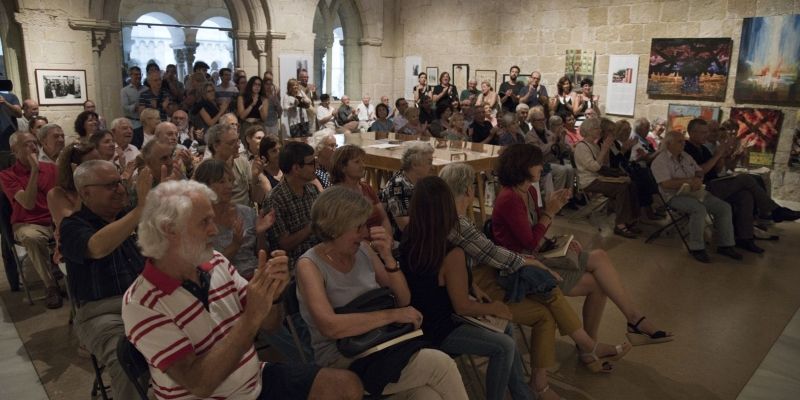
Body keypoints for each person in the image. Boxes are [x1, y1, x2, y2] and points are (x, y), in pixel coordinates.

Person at [123, 180, 363, 400]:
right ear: (169, 229)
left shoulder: (215, 262)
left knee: (345, 386)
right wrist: (250, 317)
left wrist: (274, 295)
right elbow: (201, 384)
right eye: (204, 222)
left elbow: (270, 324)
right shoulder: (141, 303)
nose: (214, 230)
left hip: (253, 382)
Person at [296, 186, 469, 399]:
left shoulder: (363, 250)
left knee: (427, 396)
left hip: (382, 344)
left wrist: (388, 258)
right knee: (440, 365)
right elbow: (330, 327)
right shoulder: (310, 265)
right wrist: (393, 315)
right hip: (344, 359)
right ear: (334, 228)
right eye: (358, 227)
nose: (364, 232)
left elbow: (404, 299)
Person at [489, 145, 672, 342]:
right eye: (537, 163)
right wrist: (551, 212)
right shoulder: (509, 198)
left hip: (536, 254)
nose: (541, 167)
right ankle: (597, 343)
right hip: (522, 265)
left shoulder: (529, 192)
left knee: (600, 256)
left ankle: (632, 320)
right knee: (599, 284)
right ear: (522, 166)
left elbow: (535, 230)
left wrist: (558, 236)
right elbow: (529, 241)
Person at [401, 176, 531, 400]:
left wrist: (470, 283)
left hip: (418, 320)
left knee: (505, 330)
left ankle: (522, 394)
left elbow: (433, 281)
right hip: (441, 328)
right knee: (505, 345)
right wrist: (494, 307)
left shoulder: (410, 238)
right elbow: (462, 306)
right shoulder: (451, 252)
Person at [60, 160, 153, 398]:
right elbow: (98, 247)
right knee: (126, 357)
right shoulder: (73, 225)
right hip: (102, 313)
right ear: (86, 192)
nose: (120, 189)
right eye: (111, 185)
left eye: (120, 183)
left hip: (147, 302)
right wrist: (139, 210)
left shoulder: (126, 215)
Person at [683, 119, 800, 251]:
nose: (706, 134)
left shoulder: (703, 148)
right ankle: (774, 210)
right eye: (703, 132)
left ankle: (745, 238)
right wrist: (718, 155)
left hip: (715, 183)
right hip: (702, 187)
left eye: (707, 132)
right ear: (692, 133)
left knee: (746, 196)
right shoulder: (686, 148)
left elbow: (717, 169)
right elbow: (700, 171)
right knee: (746, 178)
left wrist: (724, 155)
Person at [651, 130, 743, 263]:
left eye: (683, 141)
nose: (683, 144)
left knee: (724, 207)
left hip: (695, 191)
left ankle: (725, 245)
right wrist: (688, 181)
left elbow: (699, 170)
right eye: (680, 142)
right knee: (698, 209)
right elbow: (666, 184)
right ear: (669, 143)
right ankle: (697, 247)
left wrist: (698, 178)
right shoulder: (660, 161)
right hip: (674, 196)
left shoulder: (686, 156)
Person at [0, 132, 61, 308]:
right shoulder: (7, 175)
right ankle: (50, 286)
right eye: (27, 144)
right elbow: (27, 202)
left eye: (35, 143)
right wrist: (34, 171)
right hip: (28, 222)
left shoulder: (51, 169)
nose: (33, 147)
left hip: (54, 219)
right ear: (14, 150)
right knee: (32, 237)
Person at [193, 159, 275, 279]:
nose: (229, 186)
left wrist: (260, 233)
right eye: (221, 182)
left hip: (256, 274)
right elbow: (206, 267)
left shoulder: (246, 212)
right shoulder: (200, 222)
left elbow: (261, 254)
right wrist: (235, 244)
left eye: (230, 181)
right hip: (224, 280)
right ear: (205, 187)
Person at [573, 117, 641, 238]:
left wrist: (607, 151)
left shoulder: (593, 145)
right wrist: (604, 149)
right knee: (622, 187)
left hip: (598, 177)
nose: (600, 130)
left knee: (631, 183)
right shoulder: (581, 147)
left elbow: (603, 165)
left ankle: (631, 220)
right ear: (588, 130)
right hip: (589, 181)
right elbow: (594, 167)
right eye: (596, 128)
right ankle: (620, 224)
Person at [262, 141, 320, 269]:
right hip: (294, 263)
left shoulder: (312, 189)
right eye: (311, 163)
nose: (316, 167)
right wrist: (312, 226)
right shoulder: (275, 199)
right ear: (296, 168)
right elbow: (284, 244)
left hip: (319, 252)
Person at [330, 145, 392, 234]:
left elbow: (384, 218)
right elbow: (345, 234)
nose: (363, 165)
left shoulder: (366, 188)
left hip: (381, 240)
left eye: (362, 161)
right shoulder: (336, 196)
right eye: (357, 162)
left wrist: (388, 238)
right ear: (342, 167)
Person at [379, 142, 434, 237]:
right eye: (429, 162)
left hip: (421, 232)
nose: (432, 167)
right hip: (403, 239)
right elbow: (404, 226)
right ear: (414, 165)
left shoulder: (420, 181)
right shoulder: (397, 185)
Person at [206, 123, 267, 206]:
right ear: (216, 146)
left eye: (238, 141)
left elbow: (257, 198)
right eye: (232, 143)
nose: (238, 146)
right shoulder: (206, 169)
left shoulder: (242, 162)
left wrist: (255, 177)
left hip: (245, 214)